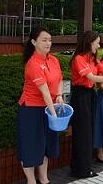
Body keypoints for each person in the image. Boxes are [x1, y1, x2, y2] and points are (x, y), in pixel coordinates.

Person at [70, 31, 103, 178]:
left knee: (89, 132)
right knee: (82, 133)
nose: (99, 46)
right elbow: (92, 77)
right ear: (89, 42)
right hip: (80, 96)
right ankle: (80, 169)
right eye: (97, 43)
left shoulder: (93, 59)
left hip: (89, 95)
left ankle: (85, 167)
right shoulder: (79, 59)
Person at [17, 27, 62, 184]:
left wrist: (60, 97)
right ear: (34, 42)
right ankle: (31, 181)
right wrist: (54, 114)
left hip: (47, 108)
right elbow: (45, 92)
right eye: (44, 40)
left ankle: (44, 179)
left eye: (49, 40)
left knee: (45, 145)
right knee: (30, 145)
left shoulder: (54, 60)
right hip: (31, 109)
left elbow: (59, 81)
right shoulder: (33, 64)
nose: (48, 43)